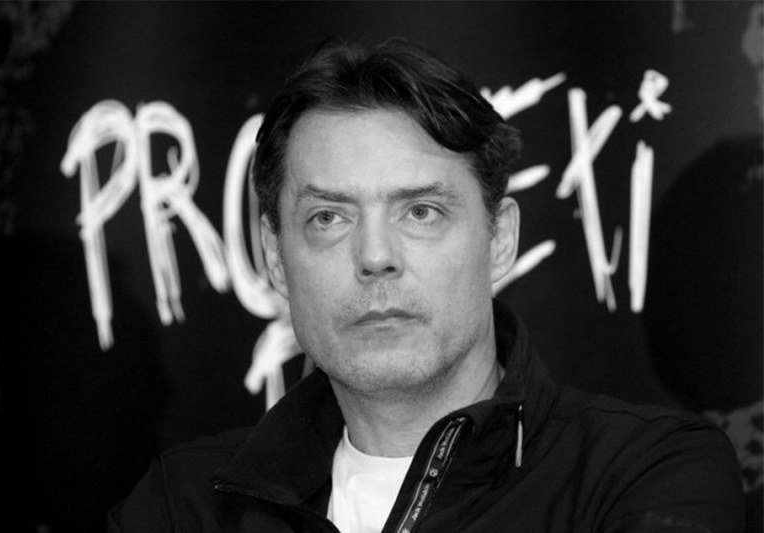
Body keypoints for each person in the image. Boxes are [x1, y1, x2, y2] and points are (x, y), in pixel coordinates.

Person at [109, 39, 744, 532]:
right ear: (276, 257)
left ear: (500, 239)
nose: (375, 256)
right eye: (328, 218)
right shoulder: (183, 505)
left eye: (421, 212)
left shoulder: (643, 473)